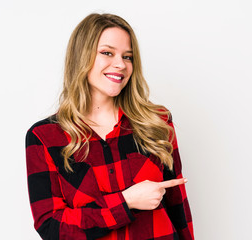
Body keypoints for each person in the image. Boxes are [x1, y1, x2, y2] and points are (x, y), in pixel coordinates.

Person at [25, 13, 194, 240]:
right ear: (81, 57)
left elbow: (178, 208)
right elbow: (51, 227)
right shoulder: (44, 137)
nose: (120, 65)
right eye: (107, 53)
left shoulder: (157, 121)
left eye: (128, 56)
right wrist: (126, 202)